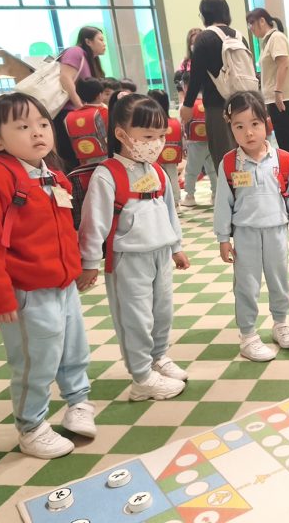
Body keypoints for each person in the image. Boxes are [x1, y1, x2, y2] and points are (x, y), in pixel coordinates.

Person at [0, 93, 95, 459]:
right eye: (22, 126)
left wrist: (77, 268)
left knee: (73, 349)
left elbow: (63, 229)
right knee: (35, 361)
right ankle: (31, 427)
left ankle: (78, 402)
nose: (37, 133)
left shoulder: (51, 173)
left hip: (62, 285)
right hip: (26, 292)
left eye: (43, 124)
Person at [76, 94, 191, 401]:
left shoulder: (156, 171)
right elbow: (93, 222)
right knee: (135, 318)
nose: (156, 144)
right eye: (148, 137)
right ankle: (141, 377)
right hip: (128, 259)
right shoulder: (107, 174)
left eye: (161, 136)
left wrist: (176, 246)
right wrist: (89, 262)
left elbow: (169, 211)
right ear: (121, 134)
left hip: (160, 254)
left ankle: (158, 357)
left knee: (162, 312)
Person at [214, 91, 289, 362]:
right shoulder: (229, 163)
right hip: (245, 234)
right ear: (230, 127)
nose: (248, 133)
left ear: (266, 122)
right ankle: (248, 335)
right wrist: (223, 237)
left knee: (279, 280)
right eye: (239, 126)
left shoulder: (282, 159)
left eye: (255, 124)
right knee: (246, 285)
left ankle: (280, 323)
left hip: (277, 230)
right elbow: (223, 203)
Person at [179, 0, 250, 169]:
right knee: (245, 151)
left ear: (205, 14)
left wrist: (188, 105)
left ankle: (231, 186)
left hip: (218, 107)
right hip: (244, 103)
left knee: (223, 156)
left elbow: (196, 75)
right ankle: (247, 184)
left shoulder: (204, 38)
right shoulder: (239, 37)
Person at [246, 8, 289, 193]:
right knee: (284, 139)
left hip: (283, 98)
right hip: (276, 98)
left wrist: (278, 91)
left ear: (262, 21)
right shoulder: (268, 41)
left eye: (252, 24)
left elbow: (283, 63)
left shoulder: (276, 37)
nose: (251, 29)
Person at [56, 26, 108, 170]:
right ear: (88, 41)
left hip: (80, 115)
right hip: (68, 114)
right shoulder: (76, 52)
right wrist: (80, 106)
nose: (104, 44)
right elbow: (65, 78)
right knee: (74, 156)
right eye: (100, 39)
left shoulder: (91, 60)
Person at [147, 88, 184, 199]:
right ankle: (176, 199)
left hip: (154, 156)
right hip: (172, 155)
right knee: (172, 176)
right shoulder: (174, 122)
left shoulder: (150, 123)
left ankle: (159, 198)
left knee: (155, 176)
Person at [174, 27, 203, 104]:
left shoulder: (210, 61)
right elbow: (179, 89)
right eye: (192, 43)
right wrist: (182, 105)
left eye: (196, 42)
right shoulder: (184, 63)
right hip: (190, 104)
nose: (194, 45)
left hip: (208, 104)